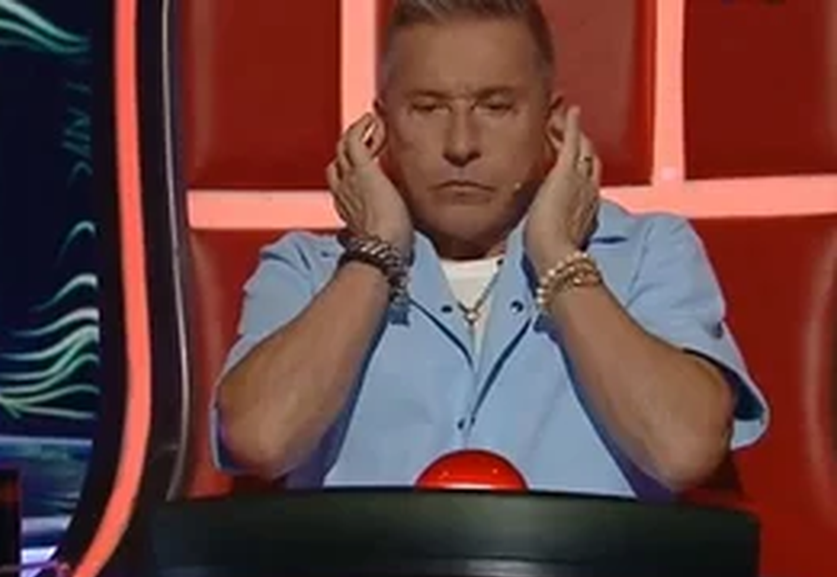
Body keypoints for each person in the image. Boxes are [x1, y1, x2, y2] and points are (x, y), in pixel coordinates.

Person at [211, 0, 768, 501]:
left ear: (552, 125)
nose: (461, 145)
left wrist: (558, 259)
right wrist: (374, 255)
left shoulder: (649, 253)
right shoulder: (307, 270)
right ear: (379, 128)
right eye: (428, 108)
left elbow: (683, 450)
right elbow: (262, 439)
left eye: (495, 107)